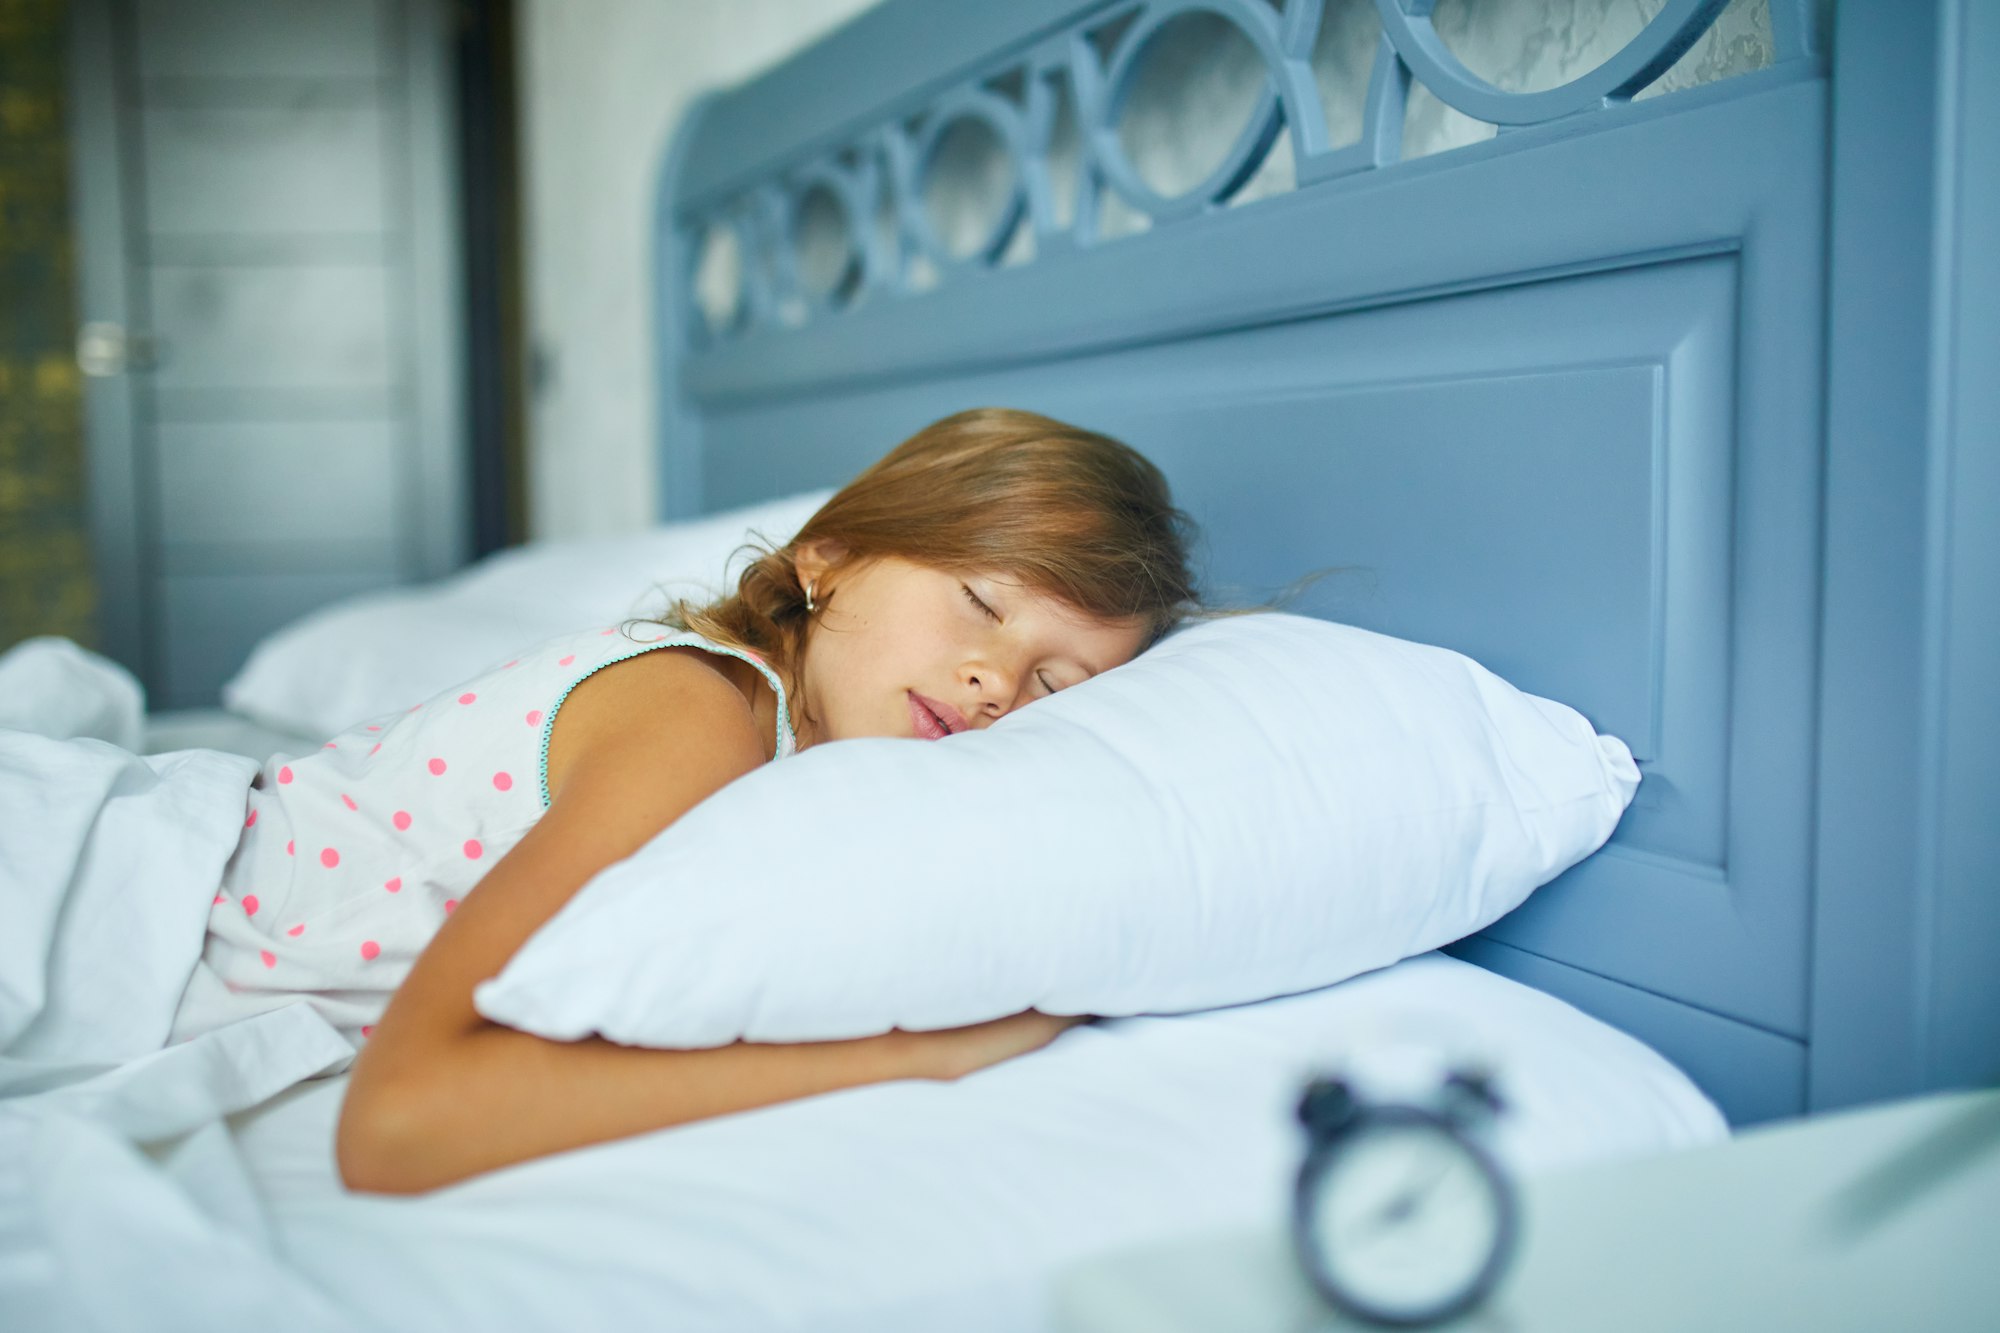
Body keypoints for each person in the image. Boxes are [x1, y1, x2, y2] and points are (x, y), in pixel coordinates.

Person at [167, 408, 1201, 1194]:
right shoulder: (696, 718)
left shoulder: (804, 770)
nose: (994, 683)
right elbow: (395, 1124)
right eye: (980, 601)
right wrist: (919, 1049)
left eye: (1055, 685)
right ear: (826, 555)